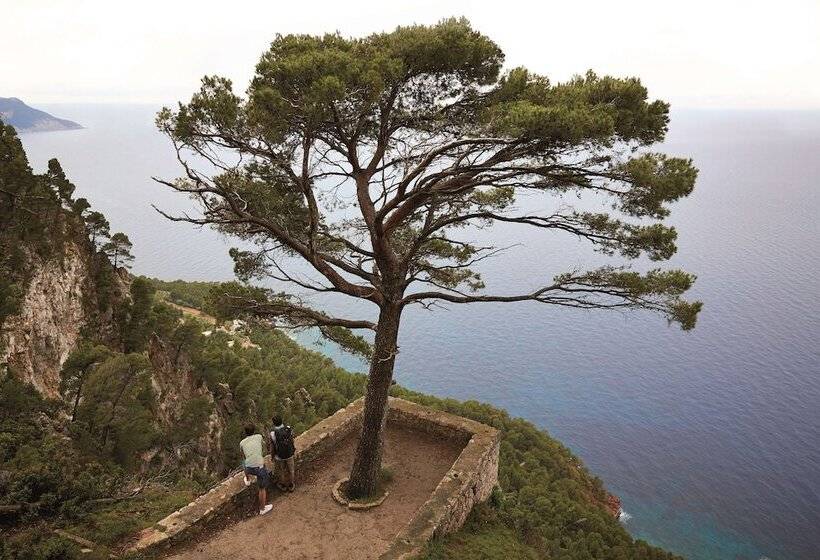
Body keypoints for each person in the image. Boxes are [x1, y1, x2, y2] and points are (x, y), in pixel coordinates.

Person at [239, 424, 273, 515]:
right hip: (259, 467)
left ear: (245, 432)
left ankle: (248, 479)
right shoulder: (259, 437)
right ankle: (262, 509)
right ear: (254, 431)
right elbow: (264, 446)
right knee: (262, 489)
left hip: (249, 469)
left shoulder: (242, 443)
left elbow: (243, 458)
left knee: (244, 462)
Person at [269, 414, 296, 492]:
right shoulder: (288, 428)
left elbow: (272, 447)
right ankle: (291, 485)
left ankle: (283, 486)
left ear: (273, 423)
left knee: (281, 471)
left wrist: (272, 456)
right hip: (290, 453)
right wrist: (293, 449)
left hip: (279, 456)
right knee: (291, 470)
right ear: (282, 421)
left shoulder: (273, 433)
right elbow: (292, 440)